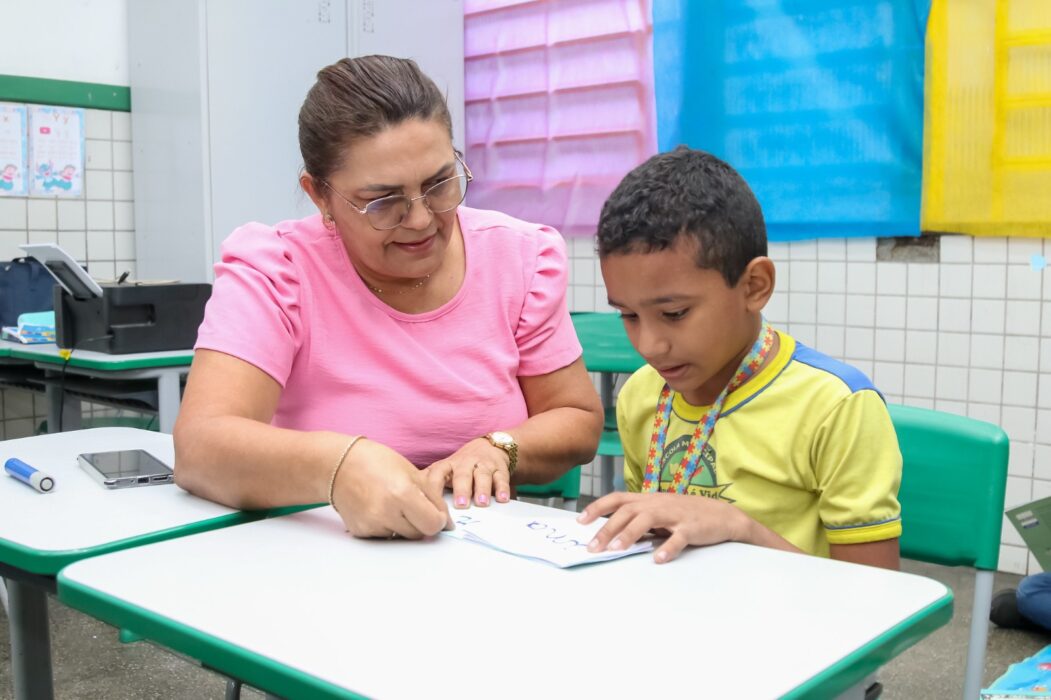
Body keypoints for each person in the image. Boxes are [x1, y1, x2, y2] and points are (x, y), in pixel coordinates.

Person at [174, 55, 603, 539]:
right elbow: (201, 446)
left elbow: (576, 418)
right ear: (320, 197)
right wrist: (338, 467)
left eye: (440, 183)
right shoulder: (277, 268)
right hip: (314, 550)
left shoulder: (518, 257)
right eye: (383, 201)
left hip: (480, 555)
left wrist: (499, 447)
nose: (421, 219)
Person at [577, 147, 902, 568]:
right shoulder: (642, 394)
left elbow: (876, 597)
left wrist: (740, 527)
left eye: (674, 313)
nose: (650, 345)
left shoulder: (836, 408)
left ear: (754, 286)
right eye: (628, 315)